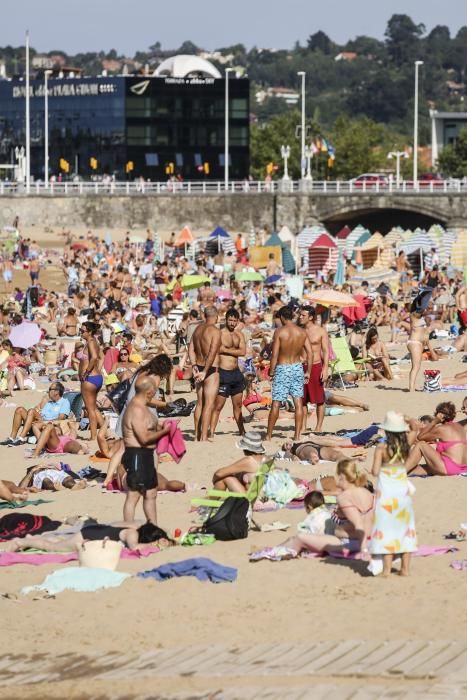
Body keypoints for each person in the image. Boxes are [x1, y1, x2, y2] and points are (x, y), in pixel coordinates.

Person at [276, 459, 374, 555]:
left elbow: (358, 525)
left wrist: (364, 550)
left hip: (350, 542)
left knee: (299, 538)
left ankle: (272, 551)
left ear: (342, 476)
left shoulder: (345, 497)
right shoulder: (368, 494)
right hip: (370, 538)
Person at [370, 412, 417, 576]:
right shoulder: (406, 446)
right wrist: (406, 417)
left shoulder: (381, 448)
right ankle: (405, 569)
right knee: (405, 529)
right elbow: (415, 429)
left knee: (386, 529)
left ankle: (387, 569)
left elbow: (375, 471)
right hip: (402, 492)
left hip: (387, 493)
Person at [121, 376, 170, 524]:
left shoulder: (143, 407)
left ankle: (153, 527)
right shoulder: (136, 409)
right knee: (134, 494)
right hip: (137, 454)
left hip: (146, 455)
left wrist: (160, 428)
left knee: (151, 493)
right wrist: (164, 431)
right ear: (149, 392)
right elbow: (143, 438)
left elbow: (148, 429)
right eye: (154, 391)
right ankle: (129, 529)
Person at [266, 306, 312, 442]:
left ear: (281, 317)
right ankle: (297, 435)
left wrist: (271, 371)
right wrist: (308, 371)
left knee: (276, 403)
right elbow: (310, 352)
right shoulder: (302, 332)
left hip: (283, 367)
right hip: (297, 367)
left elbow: (274, 355)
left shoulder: (280, 332)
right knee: (298, 402)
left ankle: (268, 435)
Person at [1, 520, 171, 553]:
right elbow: (134, 547)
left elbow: (113, 525)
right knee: (53, 548)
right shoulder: (133, 534)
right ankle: (19, 542)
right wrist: (155, 546)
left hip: (93, 530)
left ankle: (30, 539)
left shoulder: (135, 525)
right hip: (86, 536)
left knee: (59, 541)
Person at [405, 401, 467, 476]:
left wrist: (434, 422)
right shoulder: (460, 427)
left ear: (439, 415)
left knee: (421, 445)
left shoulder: (442, 428)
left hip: (449, 468)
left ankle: (399, 473)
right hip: (461, 468)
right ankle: (403, 470)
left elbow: (420, 437)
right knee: (415, 469)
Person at [210, 308, 246, 437]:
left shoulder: (239, 334)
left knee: (238, 406)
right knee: (218, 406)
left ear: (237, 321)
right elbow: (216, 350)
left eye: (234, 321)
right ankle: (211, 432)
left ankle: (242, 431)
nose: (232, 323)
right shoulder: (219, 334)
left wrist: (225, 350)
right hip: (223, 373)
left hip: (236, 374)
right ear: (226, 320)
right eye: (230, 320)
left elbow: (242, 352)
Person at [1, 382, 71, 446]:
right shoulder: (49, 403)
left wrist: (44, 422)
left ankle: (21, 438)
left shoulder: (64, 402)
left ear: (56, 392)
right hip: (39, 422)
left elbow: (61, 418)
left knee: (31, 411)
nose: (48, 391)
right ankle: (12, 438)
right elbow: (41, 413)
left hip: (49, 425)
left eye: (50, 389)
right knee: (20, 410)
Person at [189, 306, 221, 441]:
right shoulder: (215, 331)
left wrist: (194, 366)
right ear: (217, 316)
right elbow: (212, 352)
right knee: (208, 405)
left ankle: (196, 435)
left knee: (199, 403)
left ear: (204, 315)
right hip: (210, 370)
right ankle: (203, 438)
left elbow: (190, 349)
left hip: (199, 367)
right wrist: (205, 371)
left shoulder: (197, 329)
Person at [298, 306, 329, 432]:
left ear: (310, 317)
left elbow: (326, 351)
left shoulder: (320, 331)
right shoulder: (299, 331)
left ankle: (318, 426)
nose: (300, 317)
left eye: (303, 315)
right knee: (302, 399)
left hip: (316, 365)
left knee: (319, 399)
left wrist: (325, 368)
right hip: (301, 366)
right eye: (300, 315)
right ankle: (304, 426)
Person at [79, 321, 104, 440]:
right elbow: (100, 357)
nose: (81, 332)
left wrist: (86, 372)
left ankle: (94, 436)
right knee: (93, 408)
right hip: (95, 377)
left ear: (89, 332)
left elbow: (94, 357)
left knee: (90, 409)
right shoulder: (93, 341)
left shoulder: (90, 342)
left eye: (83, 331)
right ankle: (104, 432)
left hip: (90, 379)